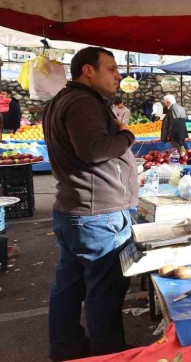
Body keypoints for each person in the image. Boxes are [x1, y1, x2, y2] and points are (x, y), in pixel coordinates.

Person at [42, 46, 138, 360]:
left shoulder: (60, 100)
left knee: (69, 286)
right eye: (111, 68)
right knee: (105, 290)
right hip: (97, 216)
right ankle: (108, 353)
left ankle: (67, 347)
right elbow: (94, 150)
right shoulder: (83, 102)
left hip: (77, 210)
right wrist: (126, 136)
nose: (118, 75)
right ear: (88, 70)